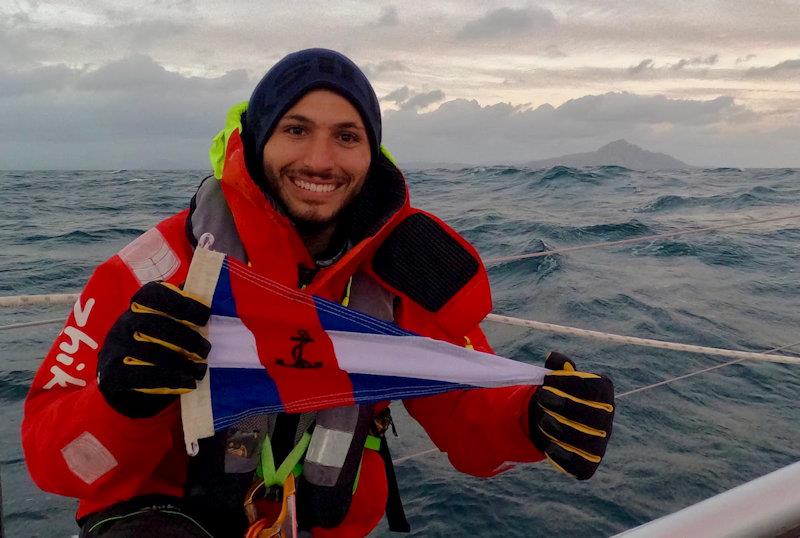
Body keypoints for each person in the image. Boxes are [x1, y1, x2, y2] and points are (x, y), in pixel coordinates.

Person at [22, 49, 615, 537]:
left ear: (370, 152)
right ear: (258, 140)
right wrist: (118, 395)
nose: (320, 160)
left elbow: (465, 416)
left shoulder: (396, 274)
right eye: (296, 130)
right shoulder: (160, 266)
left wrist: (533, 419)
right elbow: (53, 462)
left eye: (346, 136)